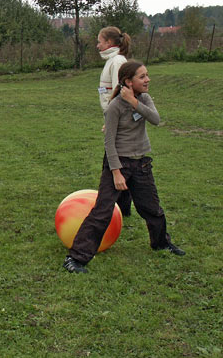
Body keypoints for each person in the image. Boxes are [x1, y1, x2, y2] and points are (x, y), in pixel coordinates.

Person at [63, 60, 185, 274]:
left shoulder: (144, 99)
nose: (147, 80)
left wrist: (135, 102)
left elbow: (155, 119)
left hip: (141, 164)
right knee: (102, 212)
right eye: (142, 77)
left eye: (147, 75)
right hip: (118, 163)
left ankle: (161, 243)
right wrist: (117, 172)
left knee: (152, 209)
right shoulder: (115, 107)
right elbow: (109, 142)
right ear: (128, 81)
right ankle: (76, 258)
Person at [97, 26, 133, 216]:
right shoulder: (112, 60)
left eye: (100, 41)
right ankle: (123, 207)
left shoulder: (117, 61)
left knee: (112, 163)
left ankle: (114, 207)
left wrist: (111, 120)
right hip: (112, 118)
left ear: (110, 43)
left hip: (117, 120)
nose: (97, 45)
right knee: (118, 161)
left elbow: (120, 91)